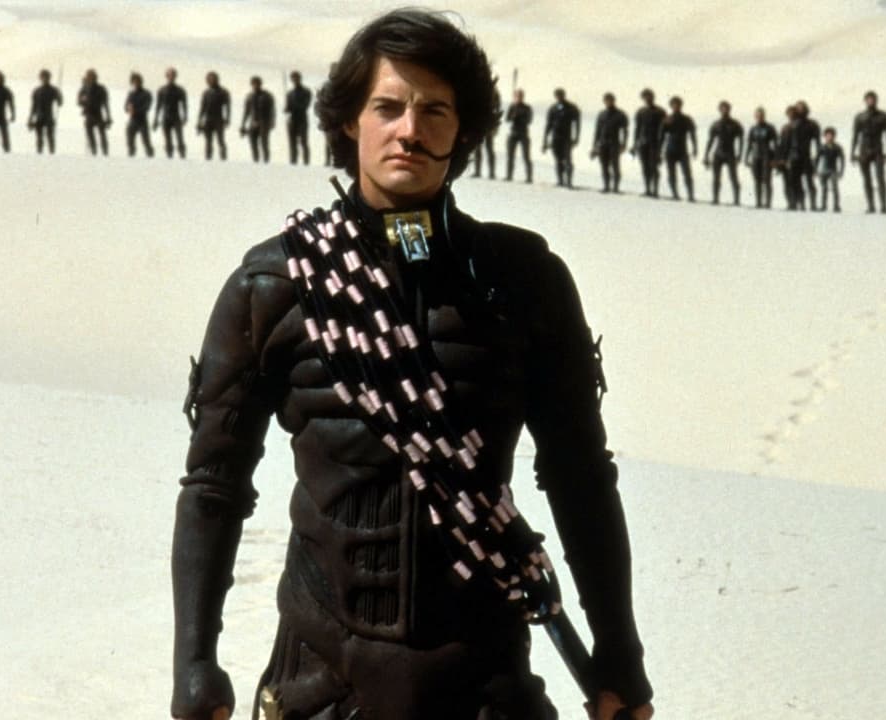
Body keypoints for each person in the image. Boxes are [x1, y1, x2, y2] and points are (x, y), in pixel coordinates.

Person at [169, 9, 655, 720]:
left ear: (463, 130)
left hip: (484, 685)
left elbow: (579, 475)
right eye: (388, 107)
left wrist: (619, 651)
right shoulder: (273, 287)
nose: (410, 130)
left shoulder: (525, 281)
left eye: (435, 111)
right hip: (321, 684)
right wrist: (193, 663)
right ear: (349, 121)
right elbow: (214, 486)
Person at [850, 90, 886, 214]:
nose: (870, 101)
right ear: (865, 101)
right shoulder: (859, 116)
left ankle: (884, 206)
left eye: (872, 99)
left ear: (876, 100)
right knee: (866, 179)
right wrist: (852, 153)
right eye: (868, 99)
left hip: (878, 149)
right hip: (864, 149)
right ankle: (871, 206)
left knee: (880, 178)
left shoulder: (883, 116)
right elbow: (855, 136)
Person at [703, 100, 743, 206]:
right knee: (716, 177)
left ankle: (736, 200)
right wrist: (706, 155)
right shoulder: (716, 124)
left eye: (726, 108)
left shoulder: (735, 124)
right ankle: (715, 199)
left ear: (729, 110)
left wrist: (739, 155)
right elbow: (710, 141)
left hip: (730, 153)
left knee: (733, 177)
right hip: (718, 153)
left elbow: (741, 140)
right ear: (719, 110)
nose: (725, 110)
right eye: (723, 109)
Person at [658, 95, 697, 202]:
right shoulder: (667, 119)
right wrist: (659, 151)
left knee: (687, 173)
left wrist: (695, 148)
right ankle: (675, 194)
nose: (676, 106)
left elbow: (693, 134)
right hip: (670, 150)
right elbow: (661, 137)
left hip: (682, 150)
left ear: (681, 105)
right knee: (671, 174)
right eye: (674, 105)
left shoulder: (686, 119)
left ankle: (690, 195)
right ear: (671, 106)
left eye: (678, 104)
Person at [631, 88, 666, 197]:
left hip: (655, 143)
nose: (647, 98)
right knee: (645, 167)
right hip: (643, 143)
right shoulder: (640, 112)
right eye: (645, 97)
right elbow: (637, 129)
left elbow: (664, 130)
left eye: (649, 96)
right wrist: (635, 144)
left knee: (654, 167)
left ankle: (655, 190)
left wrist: (661, 145)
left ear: (653, 97)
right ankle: (647, 189)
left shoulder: (660, 111)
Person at [542, 87, 580, 188]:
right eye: (557, 95)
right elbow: (548, 125)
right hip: (556, 138)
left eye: (561, 95)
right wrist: (545, 140)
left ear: (564, 95)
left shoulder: (571, 108)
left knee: (568, 160)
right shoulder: (553, 108)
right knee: (558, 160)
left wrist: (576, 137)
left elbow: (577, 123)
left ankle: (569, 181)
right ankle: (560, 181)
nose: (559, 97)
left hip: (566, 138)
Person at [591, 91, 628, 193]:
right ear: (604, 101)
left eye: (610, 100)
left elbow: (625, 131)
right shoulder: (601, 114)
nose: (608, 102)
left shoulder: (620, 114)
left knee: (615, 165)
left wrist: (624, 144)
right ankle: (606, 186)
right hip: (603, 143)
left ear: (614, 101)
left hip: (614, 143)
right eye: (606, 100)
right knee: (604, 165)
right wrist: (594, 145)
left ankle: (616, 187)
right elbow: (597, 131)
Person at [745, 107, 776, 209]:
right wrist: (746, 157)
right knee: (757, 180)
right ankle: (758, 202)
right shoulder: (753, 129)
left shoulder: (770, 128)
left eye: (761, 115)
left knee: (767, 180)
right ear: (755, 116)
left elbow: (775, 144)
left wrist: (774, 159)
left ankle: (768, 203)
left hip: (767, 156)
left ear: (764, 116)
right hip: (756, 156)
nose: (760, 117)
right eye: (758, 116)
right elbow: (749, 144)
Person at [197, 71, 231, 161]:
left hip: (218, 119)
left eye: (213, 79)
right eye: (209, 80)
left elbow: (228, 107)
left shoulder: (223, 92)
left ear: (217, 80)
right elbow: (202, 108)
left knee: (220, 140)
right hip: (208, 119)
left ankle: (223, 159)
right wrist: (199, 122)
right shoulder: (206, 93)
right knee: (208, 141)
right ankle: (208, 159)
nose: (211, 81)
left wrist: (227, 119)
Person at [793, 100, 822, 210]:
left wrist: (817, 158)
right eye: (798, 108)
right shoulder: (792, 125)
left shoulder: (812, 124)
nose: (800, 110)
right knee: (797, 182)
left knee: (810, 181)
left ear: (806, 110)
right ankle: (801, 204)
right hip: (795, 157)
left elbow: (817, 143)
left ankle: (813, 205)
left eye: (802, 108)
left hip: (807, 156)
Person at [155, 67, 188, 159]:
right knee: (167, 139)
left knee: (180, 138)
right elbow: (158, 105)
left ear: (175, 76)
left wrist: (185, 116)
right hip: (166, 117)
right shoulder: (162, 90)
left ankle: (182, 155)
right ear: (166, 76)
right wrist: (156, 119)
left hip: (176, 117)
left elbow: (184, 105)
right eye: (169, 75)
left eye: (173, 75)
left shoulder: (180, 90)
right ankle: (169, 156)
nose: (171, 77)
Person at [240, 75, 275, 163]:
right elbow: (246, 111)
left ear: (260, 84)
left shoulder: (267, 96)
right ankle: (255, 162)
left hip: (264, 122)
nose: (255, 85)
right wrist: (243, 125)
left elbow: (272, 110)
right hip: (253, 123)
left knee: (264, 144)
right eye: (254, 84)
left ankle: (266, 162)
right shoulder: (249, 96)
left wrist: (272, 122)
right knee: (253, 143)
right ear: (251, 85)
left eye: (257, 83)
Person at [78, 68, 111, 156]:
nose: (91, 79)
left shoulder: (101, 89)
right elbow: (79, 101)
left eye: (92, 77)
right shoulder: (84, 88)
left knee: (102, 135)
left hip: (98, 114)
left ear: (95, 77)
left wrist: (108, 117)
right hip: (88, 114)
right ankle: (94, 153)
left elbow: (106, 104)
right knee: (90, 136)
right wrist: (83, 100)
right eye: (89, 77)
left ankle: (105, 153)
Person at [28, 69, 62, 154]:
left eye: (46, 77)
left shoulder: (53, 90)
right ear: (40, 78)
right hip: (39, 116)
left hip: (49, 116)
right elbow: (33, 107)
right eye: (43, 77)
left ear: (49, 78)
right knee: (39, 138)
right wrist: (30, 119)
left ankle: (52, 154)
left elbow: (60, 103)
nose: (45, 79)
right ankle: (39, 154)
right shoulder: (36, 91)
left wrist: (59, 96)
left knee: (50, 137)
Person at [504, 88, 533, 183]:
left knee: (526, 156)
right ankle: (509, 175)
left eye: (520, 96)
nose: (519, 97)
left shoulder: (527, 107)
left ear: (523, 97)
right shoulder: (512, 107)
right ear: (515, 97)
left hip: (523, 133)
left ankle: (529, 177)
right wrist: (513, 116)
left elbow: (529, 120)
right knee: (510, 156)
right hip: (513, 133)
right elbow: (507, 119)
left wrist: (519, 117)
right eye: (517, 96)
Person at [284, 70, 312, 165]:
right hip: (292, 120)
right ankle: (293, 162)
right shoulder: (289, 93)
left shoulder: (306, 91)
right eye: (293, 79)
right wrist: (287, 108)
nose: (295, 80)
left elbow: (306, 105)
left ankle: (306, 162)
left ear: (300, 79)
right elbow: (288, 106)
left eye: (297, 78)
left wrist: (293, 106)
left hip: (302, 119)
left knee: (304, 141)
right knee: (292, 143)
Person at [125, 71, 154, 158]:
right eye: (134, 82)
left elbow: (147, 107)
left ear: (141, 82)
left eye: (138, 81)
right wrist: (128, 109)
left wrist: (135, 111)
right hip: (133, 121)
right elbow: (125, 107)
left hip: (142, 121)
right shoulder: (131, 94)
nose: (136, 83)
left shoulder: (146, 93)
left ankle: (151, 158)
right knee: (130, 142)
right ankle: (131, 158)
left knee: (146, 142)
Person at [815, 127, 845, 213]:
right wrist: (815, 170)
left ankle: (836, 206)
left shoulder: (837, 147)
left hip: (833, 170)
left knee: (835, 188)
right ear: (825, 136)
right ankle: (823, 206)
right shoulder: (822, 147)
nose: (829, 137)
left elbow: (842, 160)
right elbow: (817, 159)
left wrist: (841, 171)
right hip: (824, 170)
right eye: (827, 135)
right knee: (824, 189)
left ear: (834, 136)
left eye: (831, 135)